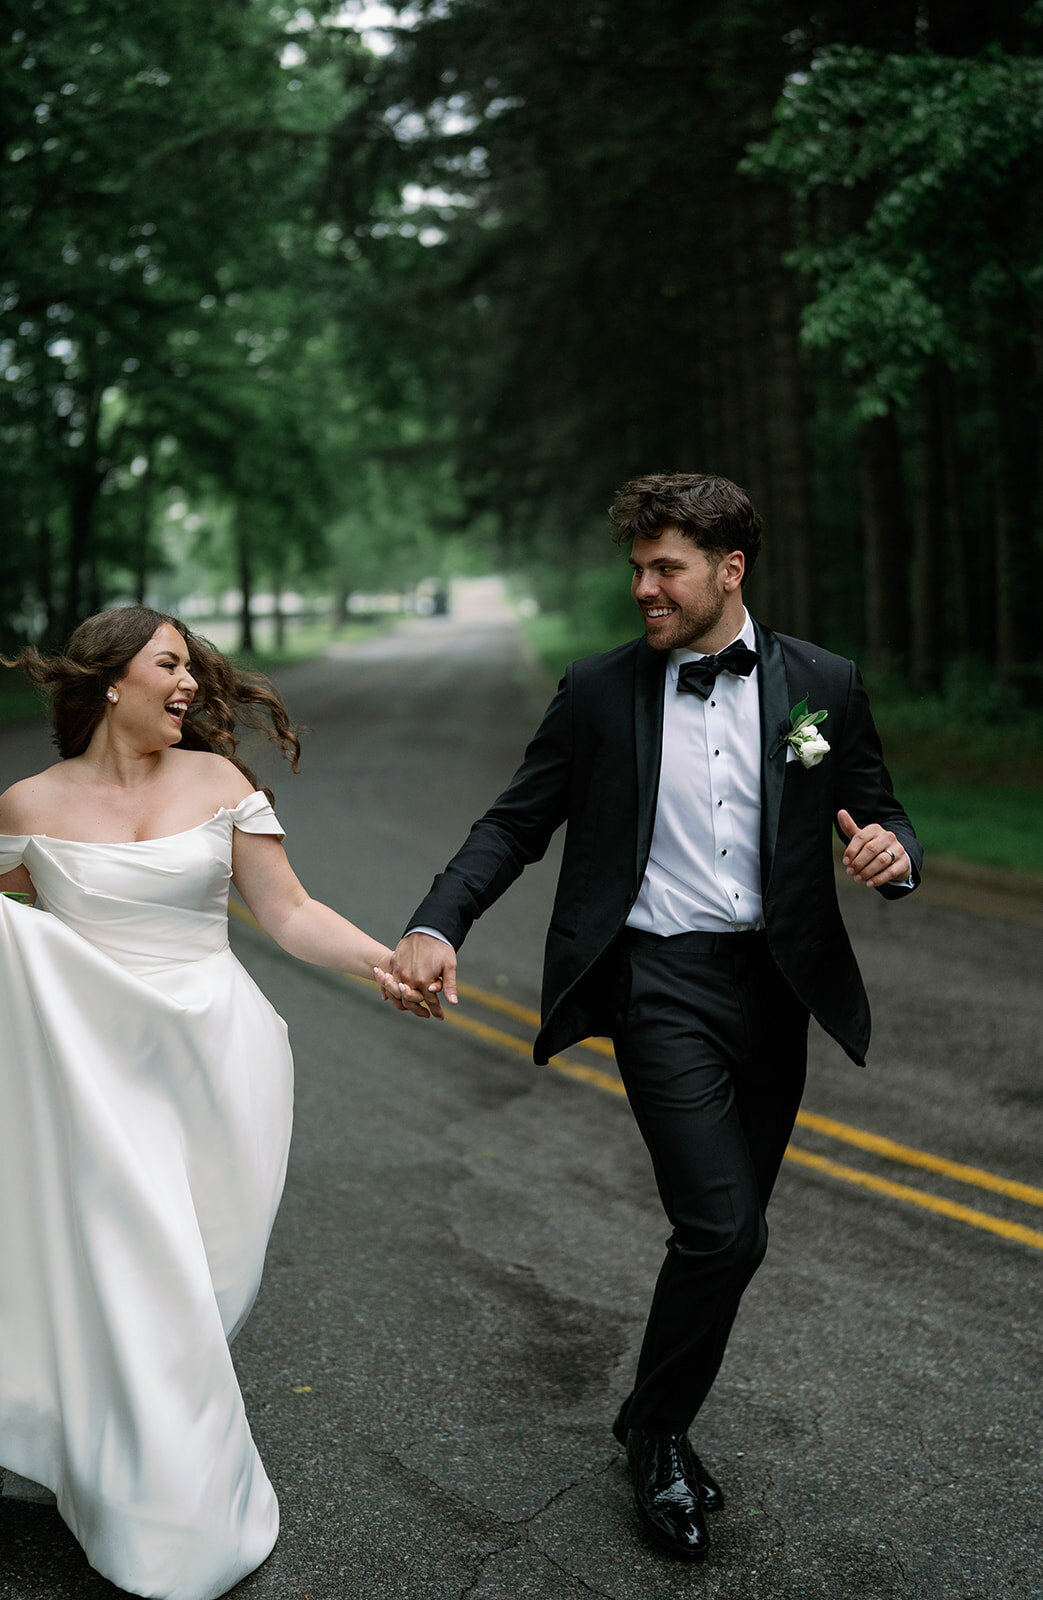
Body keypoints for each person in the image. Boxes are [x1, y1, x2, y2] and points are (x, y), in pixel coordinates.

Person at [388, 473, 922, 1563]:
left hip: (775, 987)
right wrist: (437, 924)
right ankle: (661, 1438)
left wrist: (893, 852)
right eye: (635, 566)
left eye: (663, 566)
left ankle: (648, 1412)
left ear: (729, 571)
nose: (643, 586)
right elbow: (512, 823)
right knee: (724, 1226)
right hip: (656, 986)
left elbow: (876, 801)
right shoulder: (596, 691)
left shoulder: (820, 682)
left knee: (723, 1241)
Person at [0, 606, 427, 1600]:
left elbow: (290, 912)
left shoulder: (219, 782)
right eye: (169, 664)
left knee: (207, 1279)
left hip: (215, 1061)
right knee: (143, 1286)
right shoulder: (30, 804)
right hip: (95, 1080)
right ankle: (170, 1515)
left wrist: (382, 963)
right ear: (109, 681)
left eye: (189, 665)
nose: (191, 682)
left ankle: (112, 1448)